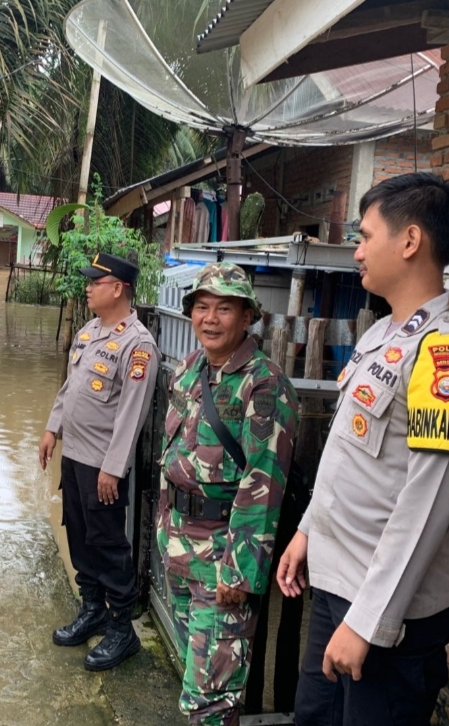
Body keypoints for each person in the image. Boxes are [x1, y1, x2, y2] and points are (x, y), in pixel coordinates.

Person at [277, 173, 449, 726]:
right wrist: (306, 531)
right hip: (335, 579)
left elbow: (426, 507)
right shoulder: (379, 335)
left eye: (366, 235)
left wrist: (368, 623)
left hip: (388, 606)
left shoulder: (448, 356)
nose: (357, 251)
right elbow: (344, 455)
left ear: (410, 241)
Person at [157, 262, 299, 726]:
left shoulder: (265, 384)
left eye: (223, 308)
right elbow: (171, 458)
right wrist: (163, 532)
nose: (210, 318)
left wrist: (238, 573)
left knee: (212, 701)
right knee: (195, 676)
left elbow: (263, 486)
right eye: (201, 307)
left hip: (221, 563)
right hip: (178, 550)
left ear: (246, 317)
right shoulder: (188, 368)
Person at [39, 252, 159, 671]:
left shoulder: (138, 344)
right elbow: (70, 386)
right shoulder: (90, 330)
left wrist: (114, 467)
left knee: (108, 544)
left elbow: (132, 412)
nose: (88, 287)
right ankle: (92, 609)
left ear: (119, 288)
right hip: (73, 457)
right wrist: (52, 428)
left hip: (101, 464)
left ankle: (122, 630)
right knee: (79, 534)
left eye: (96, 281)